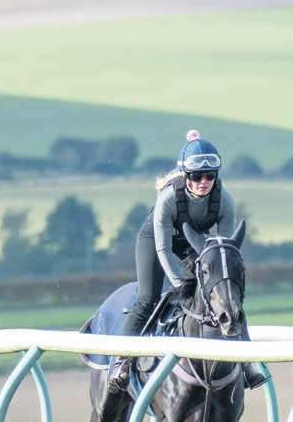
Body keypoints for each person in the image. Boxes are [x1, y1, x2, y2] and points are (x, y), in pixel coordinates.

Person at [107, 130, 270, 394]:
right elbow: (163, 249)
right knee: (148, 298)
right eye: (196, 176)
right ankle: (121, 363)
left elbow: (223, 252)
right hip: (158, 242)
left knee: (228, 298)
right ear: (185, 175)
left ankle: (247, 363)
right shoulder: (168, 199)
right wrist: (181, 285)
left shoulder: (225, 201)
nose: (203, 182)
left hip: (196, 243)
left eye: (210, 175)